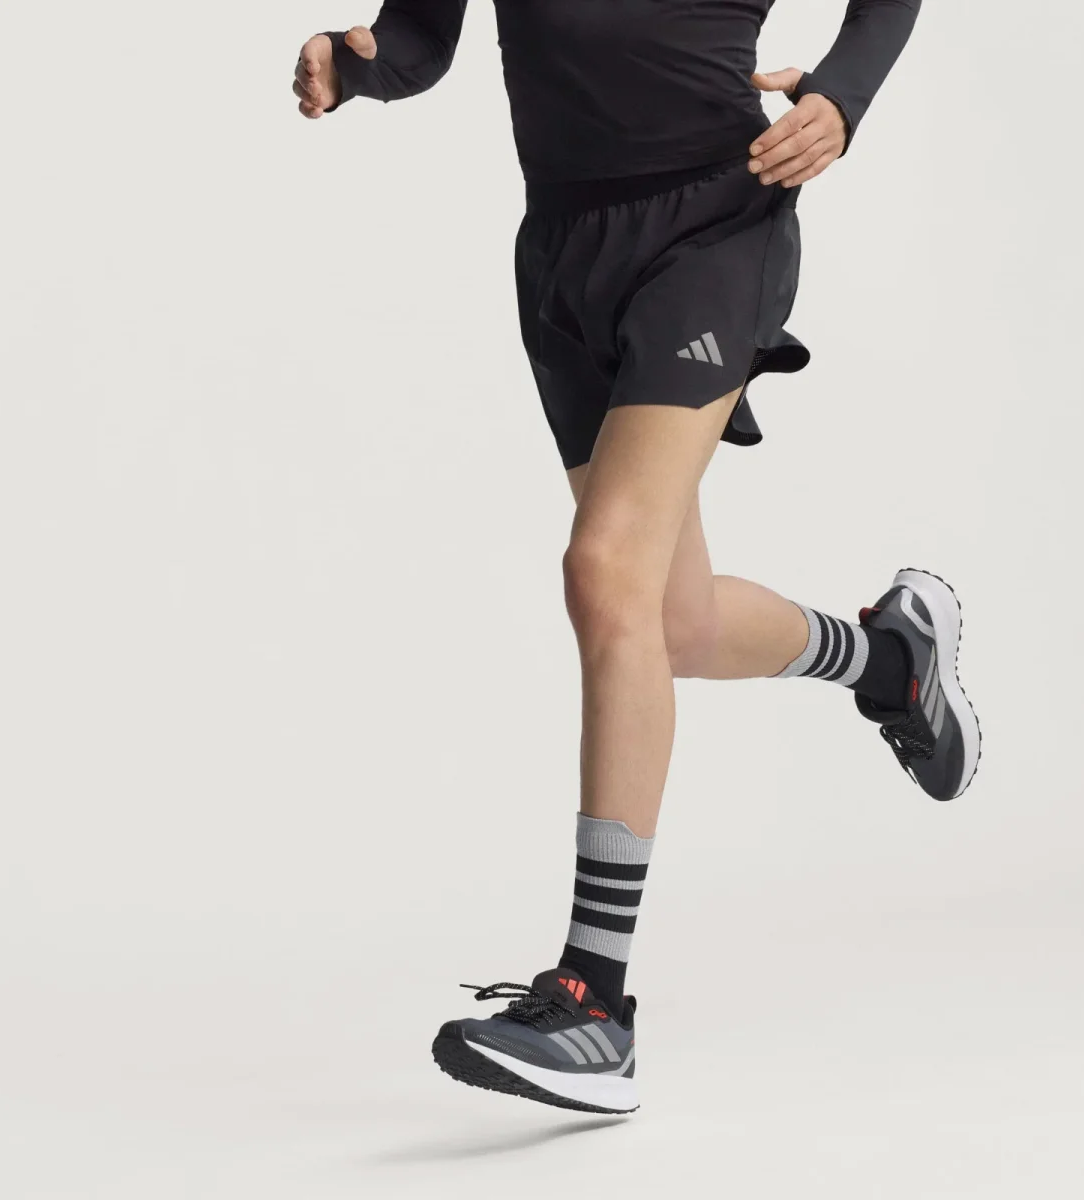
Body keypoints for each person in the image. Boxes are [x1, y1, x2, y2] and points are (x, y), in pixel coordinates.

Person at [291, 0, 980, 1116]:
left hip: (713, 223)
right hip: (563, 251)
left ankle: (594, 1001)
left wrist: (843, 96)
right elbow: (416, 40)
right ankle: (890, 663)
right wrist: (353, 67)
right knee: (671, 621)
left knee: (603, 568)